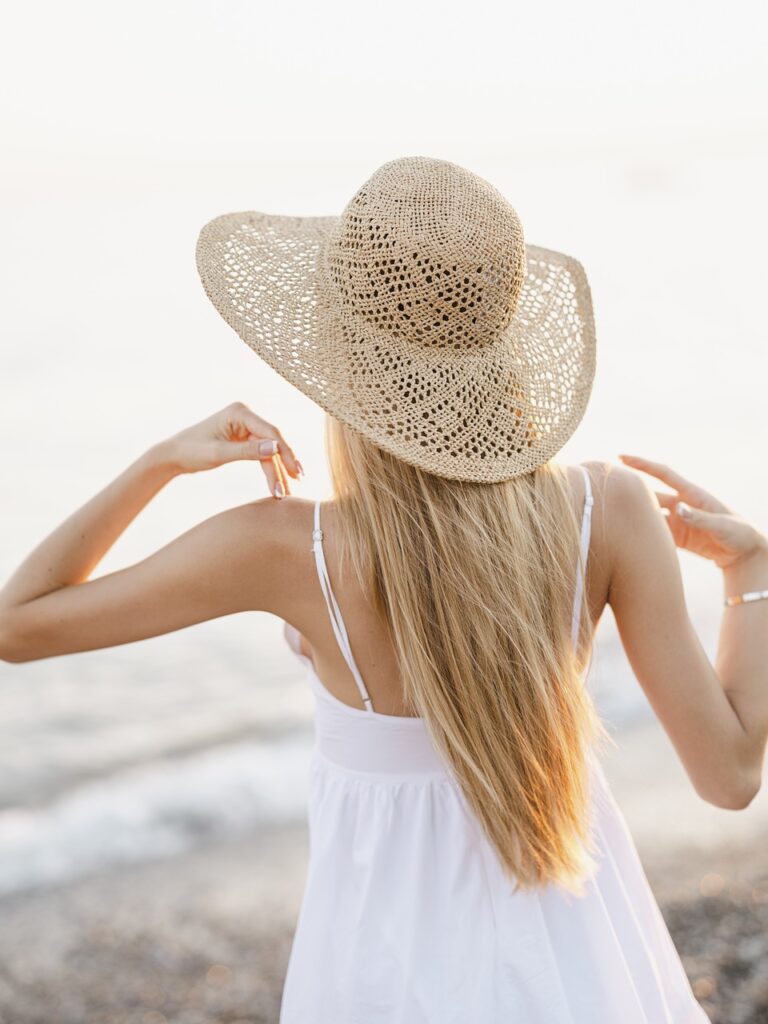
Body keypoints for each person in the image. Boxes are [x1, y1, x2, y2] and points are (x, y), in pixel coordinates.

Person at [1, 156, 766, 1023]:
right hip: (574, 944)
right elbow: (732, 776)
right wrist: (752, 574)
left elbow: (19, 624)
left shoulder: (291, 549)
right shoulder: (607, 509)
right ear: (505, 344)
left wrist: (161, 463)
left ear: (336, 352)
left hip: (377, 968)